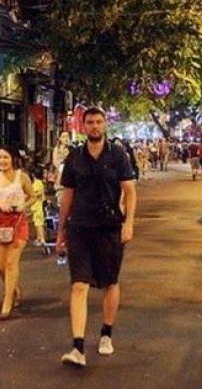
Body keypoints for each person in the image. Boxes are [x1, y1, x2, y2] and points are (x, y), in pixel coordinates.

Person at [56, 107, 137, 369]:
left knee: (110, 283)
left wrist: (129, 223)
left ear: (105, 125)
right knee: (79, 285)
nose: (94, 126)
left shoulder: (117, 155)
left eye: (98, 122)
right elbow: (68, 194)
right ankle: (77, 347)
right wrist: (61, 230)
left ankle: (106, 333)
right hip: (80, 228)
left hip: (109, 228)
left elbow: (130, 191)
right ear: (82, 125)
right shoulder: (75, 157)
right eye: (89, 122)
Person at [0, 145, 37, 320]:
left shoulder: (22, 177)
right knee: (0, 265)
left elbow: (33, 196)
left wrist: (23, 206)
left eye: (5, 157)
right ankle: (14, 288)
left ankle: (7, 300)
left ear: (13, 159)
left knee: (12, 263)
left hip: (18, 222)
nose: (2, 161)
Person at [29, 164, 49, 252]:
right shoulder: (39, 182)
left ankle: (42, 240)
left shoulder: (37, 183)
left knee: (39, 224)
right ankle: (39, 238)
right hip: (36, 207)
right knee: (37, 223)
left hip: (38, 207)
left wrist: (29, 195)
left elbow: (37, 194)